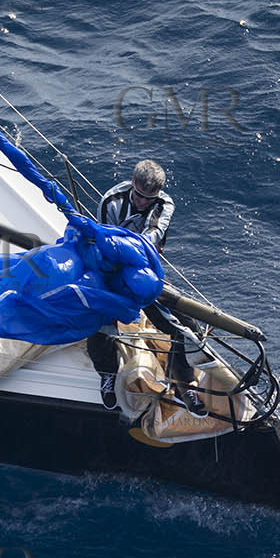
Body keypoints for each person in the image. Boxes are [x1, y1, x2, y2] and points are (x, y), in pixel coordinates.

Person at [87, 159, 205, 416]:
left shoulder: (165, 205)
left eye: (148, 199)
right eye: (139, 196)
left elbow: (151, 236)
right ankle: (107, 375)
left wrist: (139, 275)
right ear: (132, 184)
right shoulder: (111, 202)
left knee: (185, 326)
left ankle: (183, 385)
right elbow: (107, 244)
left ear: (158, 194)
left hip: (145, 271)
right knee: (99, 327)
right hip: (112, 268)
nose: (142, 202)